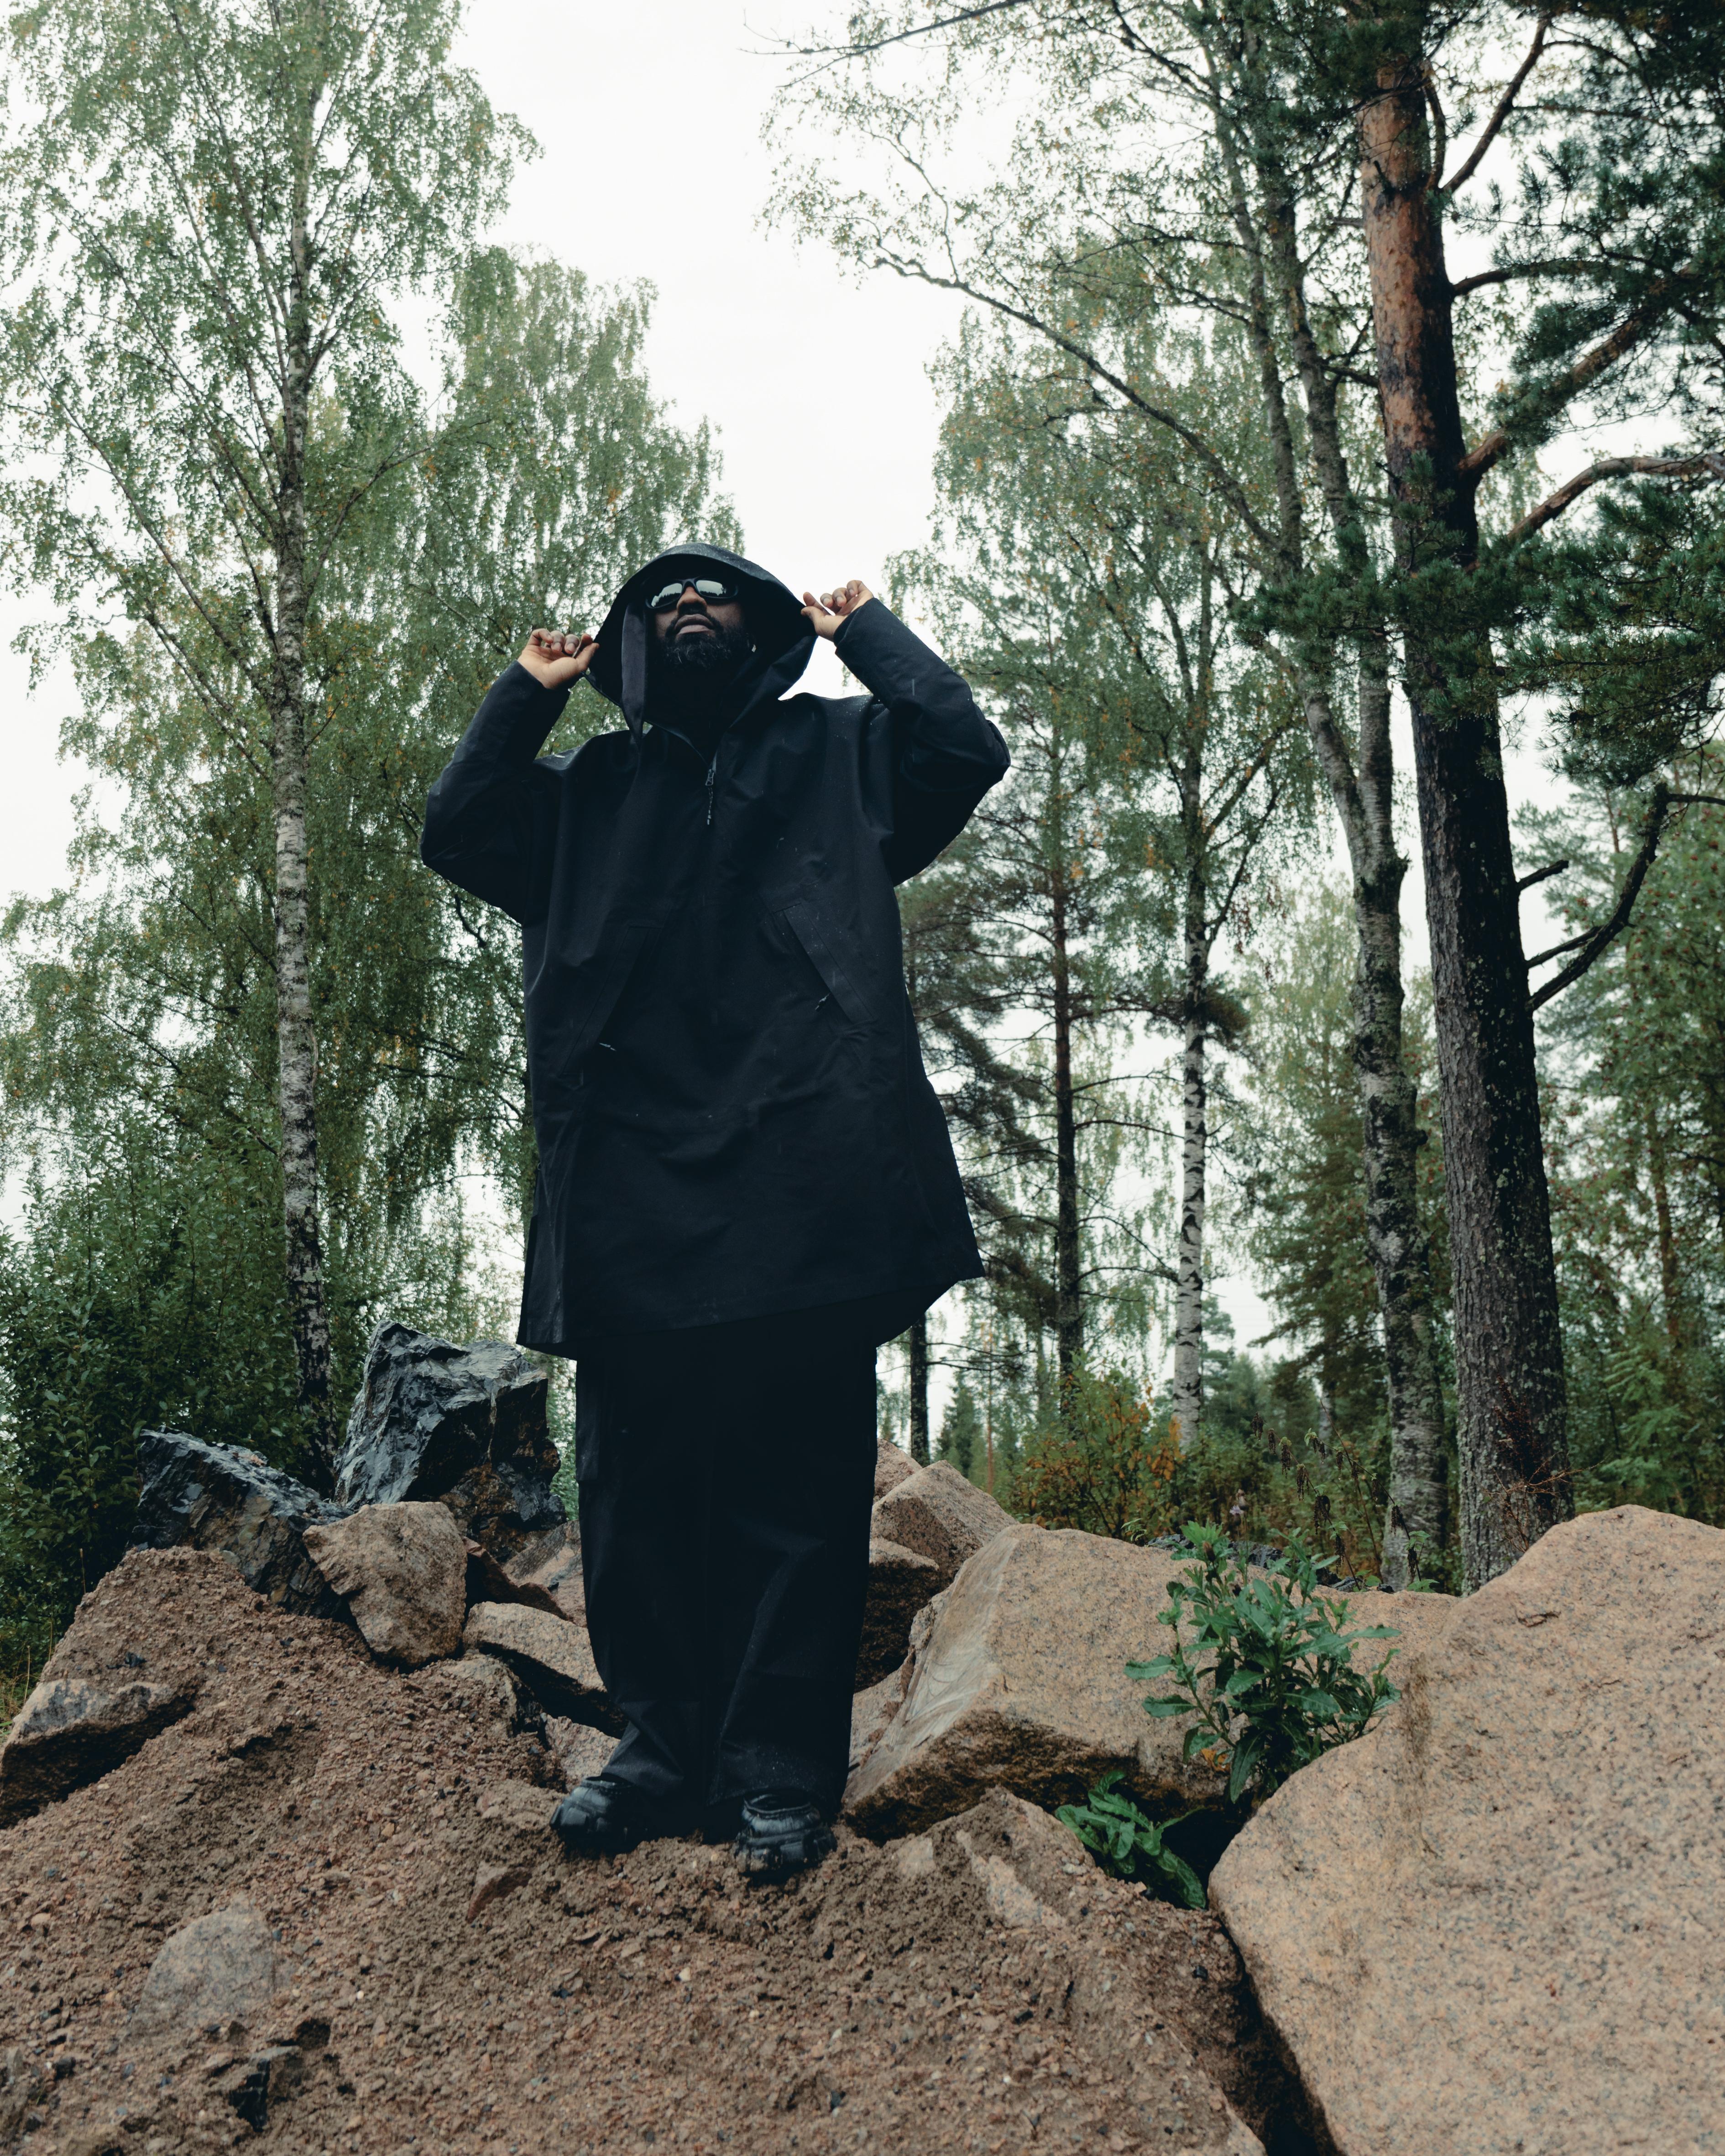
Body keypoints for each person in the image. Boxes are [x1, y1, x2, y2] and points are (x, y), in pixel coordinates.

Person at [421, 544, 1007, 1875]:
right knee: (638, 1500)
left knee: (794, 1502)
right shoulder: (585, 800)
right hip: (632, 1199)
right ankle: (659, 1754)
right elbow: (456, 830)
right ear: (630, 648)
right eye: (659, 601)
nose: (686, 608)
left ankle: (777, 1777)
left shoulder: (843, 756)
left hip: (806, 1190)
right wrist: (526, 693)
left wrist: (873, 638)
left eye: (714, 596)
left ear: (759, 634)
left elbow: (964, 752)